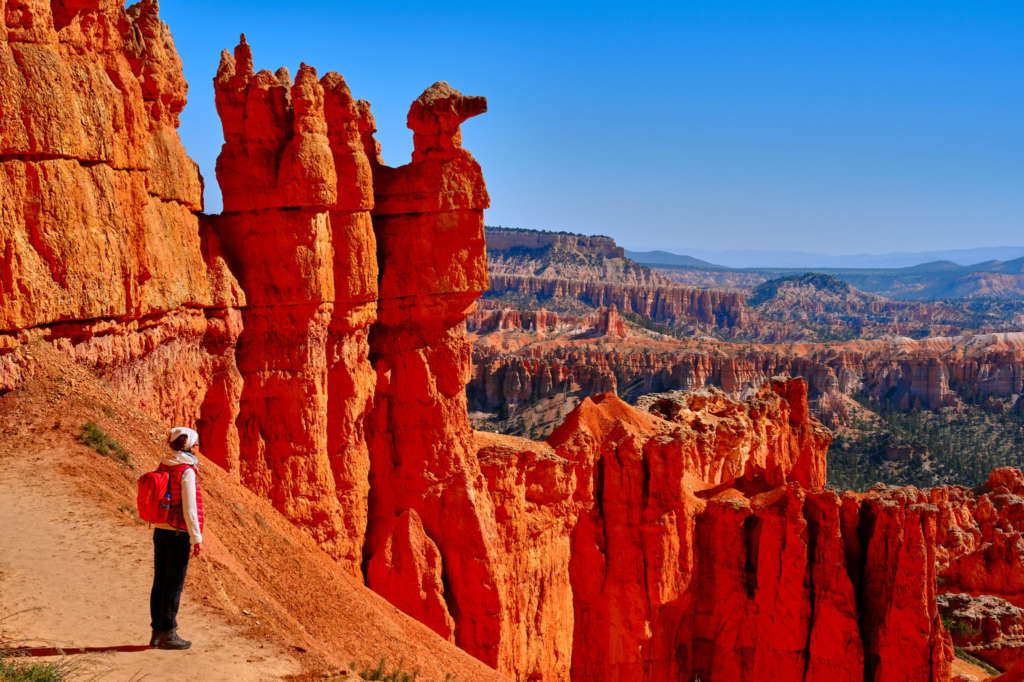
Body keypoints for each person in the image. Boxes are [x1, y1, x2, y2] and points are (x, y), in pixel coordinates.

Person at [149, 426, 204, 650]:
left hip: (160, 529)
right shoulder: (187, 470)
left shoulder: (164, 464)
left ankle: (156, 633)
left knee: (160, 581)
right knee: (174, 584)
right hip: (178, 532)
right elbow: (190, 508)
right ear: (189, 445)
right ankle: (168, 632)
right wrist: (196, 537)